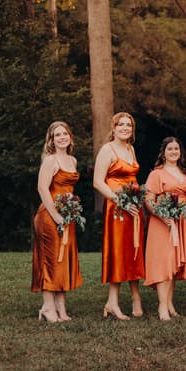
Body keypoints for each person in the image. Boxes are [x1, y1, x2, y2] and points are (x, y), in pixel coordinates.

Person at [93, 112, 145, 320]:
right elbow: (98, 182)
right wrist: (120, 201)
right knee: (118, 253)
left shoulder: (130, 149)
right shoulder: (108, 149)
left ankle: (134, 298)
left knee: (133, 250)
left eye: (129, 125)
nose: (125, 128)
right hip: (117, 208)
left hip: (133, 207)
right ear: (113, 128)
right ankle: (112, 302)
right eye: (121, 124)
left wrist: (136, 198)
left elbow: (133, 177)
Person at [31, 121, 83, 322]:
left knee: (63, 261)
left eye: (65, 134)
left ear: (70, 136)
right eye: (57, 135)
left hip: (67, 216)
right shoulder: (50, 161)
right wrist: (56, 217)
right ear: (51, 140)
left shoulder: (72, 160)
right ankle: (47, 307)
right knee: (49, 260)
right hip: (49, 216)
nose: (62, 137)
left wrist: (69, 213)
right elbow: (42, 189)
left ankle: (61, 307)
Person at [143, 137, 186, 321]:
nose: (174, 151)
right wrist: (161, 215)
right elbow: (149, 199)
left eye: (177, 148)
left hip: (180, 222)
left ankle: (170, 303)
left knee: (173, 264)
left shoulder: (183, 172)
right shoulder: (156, 174)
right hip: (162, 223)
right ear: (163, 152)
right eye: (170, 148)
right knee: (164, 263)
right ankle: (162, 306)